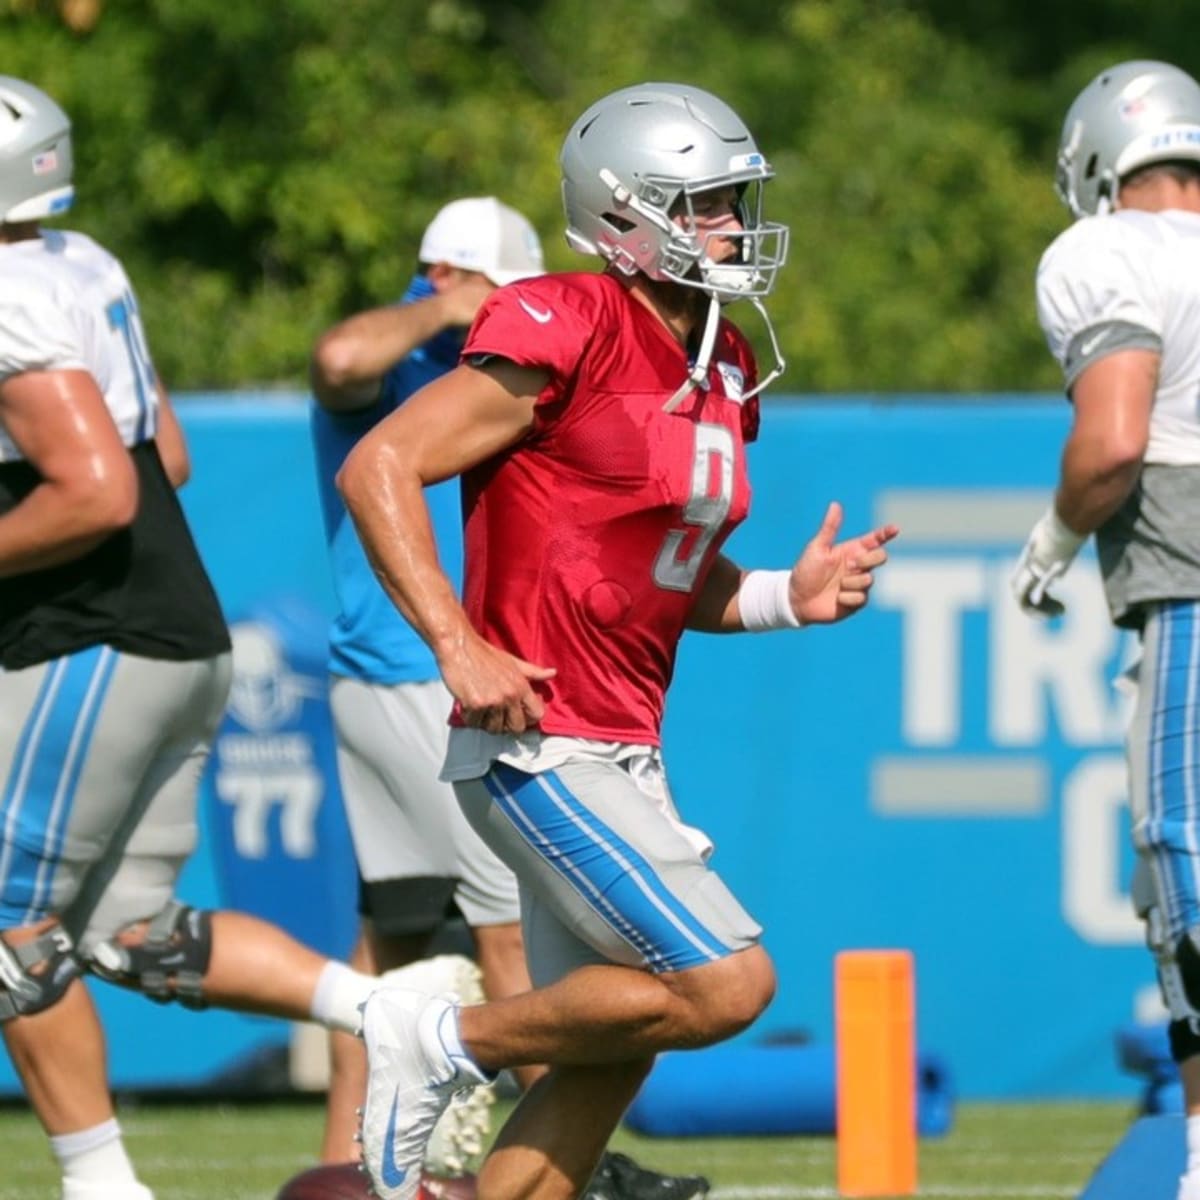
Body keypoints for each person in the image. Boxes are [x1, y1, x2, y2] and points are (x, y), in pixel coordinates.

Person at [337, 81, 898, 1200]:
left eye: (735, 199)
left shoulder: (725, 361)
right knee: (728, 984)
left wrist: (791, 593)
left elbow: (666, 576)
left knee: (619, 1043)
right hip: (539, 736)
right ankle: (443, 1037)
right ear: (625, 215)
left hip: (623, 745)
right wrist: (457, 645)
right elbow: (379, 465)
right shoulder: (569, 318)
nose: (734, 225)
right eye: (704, 205)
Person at [0, 76, 386, 1200]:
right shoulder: (78, 262)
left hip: (94, 634)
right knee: (131, 933)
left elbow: (98, 494)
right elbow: (163, 452)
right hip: (175, 631)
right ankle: (390, 1010)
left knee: (10, 928)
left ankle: (103, 1188)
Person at [309, 197, 711, 1200]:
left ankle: (357, 1167)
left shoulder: (570, 347)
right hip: (446, 671)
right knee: (529, 946)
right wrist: (447, 310)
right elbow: (343, 369)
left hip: (454, 671)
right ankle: (477, 1072)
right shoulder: (448, 344)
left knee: (398, 939)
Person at [1011, 59, 1200, 1200]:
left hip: (1187, 576)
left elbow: (1113, 442)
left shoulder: (1106, 250)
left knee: (1182, 861)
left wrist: (1052, 542)